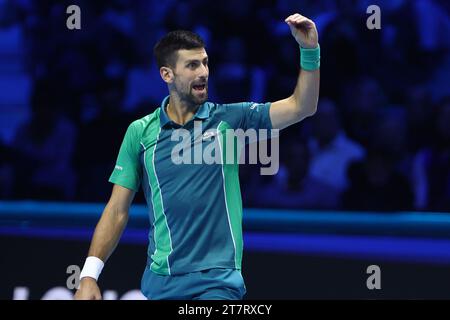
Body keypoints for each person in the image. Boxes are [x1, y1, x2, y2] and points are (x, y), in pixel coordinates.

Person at [75, 13, 320, 300]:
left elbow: (301, 107)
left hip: (216, 284)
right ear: (167, 74)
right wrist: (89, 275)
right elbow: (117, 209)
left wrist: (309, 50)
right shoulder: (140, 132)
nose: (203, 72)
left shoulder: (231, 119)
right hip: (160, 284)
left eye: (205, 62)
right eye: (192, 65)